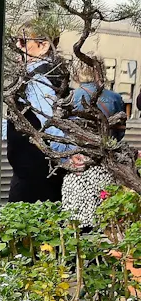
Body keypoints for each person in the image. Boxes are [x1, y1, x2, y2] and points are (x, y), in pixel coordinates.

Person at [59, 63, 126, 228]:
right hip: (105, 164)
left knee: (76, 222)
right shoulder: (115, 98)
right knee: (106, 218)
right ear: (100, 71)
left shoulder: (71, 98)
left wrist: (68, 156)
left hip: (78, 164)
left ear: (78, 74)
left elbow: (62, 133)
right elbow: (120, 132)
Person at [6, 33, 67, 203]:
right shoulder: (48, 73)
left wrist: (66, 159)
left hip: (34, 177)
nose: (18, 46)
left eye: (23, 41)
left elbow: (51, 123)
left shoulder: (38, 78)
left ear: (44, 46)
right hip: (38, 172)